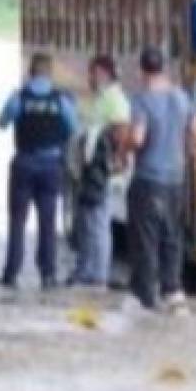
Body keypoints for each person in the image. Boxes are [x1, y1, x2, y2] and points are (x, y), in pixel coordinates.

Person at [126, 46, 196, 315]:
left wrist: (124, 146)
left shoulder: (142, 100)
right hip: (177, 180)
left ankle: (145, 295)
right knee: (173, 236)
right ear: (164, 69)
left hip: (149, 178)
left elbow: (137, 137)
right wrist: (187, 154)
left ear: (142, 71)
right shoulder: (182, 98)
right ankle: (173, 291)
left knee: (146, 237)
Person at [0, 52, 79, 291]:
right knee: (48, 221)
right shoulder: (61, 100)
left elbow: (1, 123)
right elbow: (74, 129)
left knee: (17, 221)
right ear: (50, 74)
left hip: (24, 163)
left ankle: (11, 273)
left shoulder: (20, 97)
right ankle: (48, 273)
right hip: (51, 166)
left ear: (30, 71)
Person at [68, 55, 130, 287]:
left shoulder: (115, 99)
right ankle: (87, 270)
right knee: (87, 220)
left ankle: (98, 274)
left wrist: (116, 160)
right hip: (89, 166)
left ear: (104, 73)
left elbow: (121, 130)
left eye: (93, 73)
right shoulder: (100, 97)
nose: (90, 78)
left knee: (99, 222)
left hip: (100, 169)